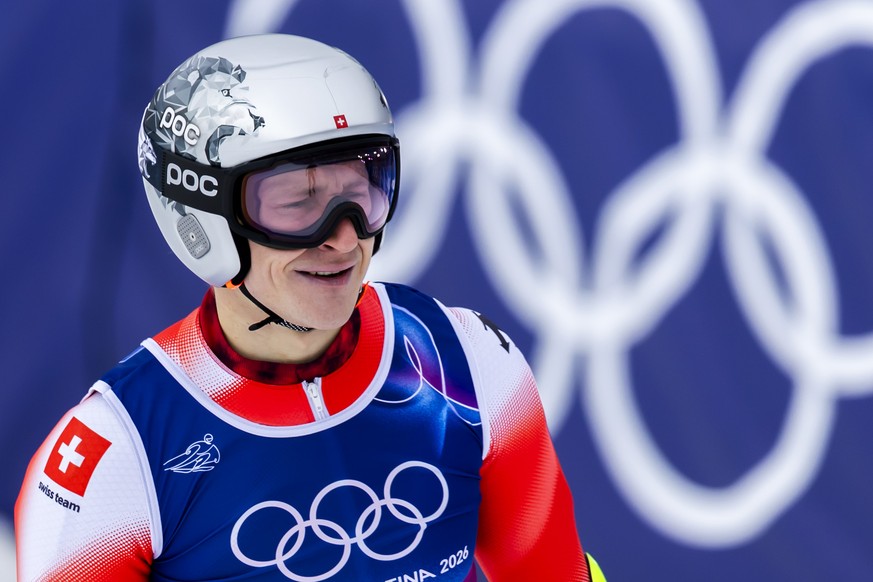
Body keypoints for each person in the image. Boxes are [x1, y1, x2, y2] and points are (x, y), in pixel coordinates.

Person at [15, 34, 606, 581]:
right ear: (202, 222)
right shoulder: (116, 456)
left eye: (361, 193)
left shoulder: (466, 362)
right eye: (297, 202)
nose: (344, 238)